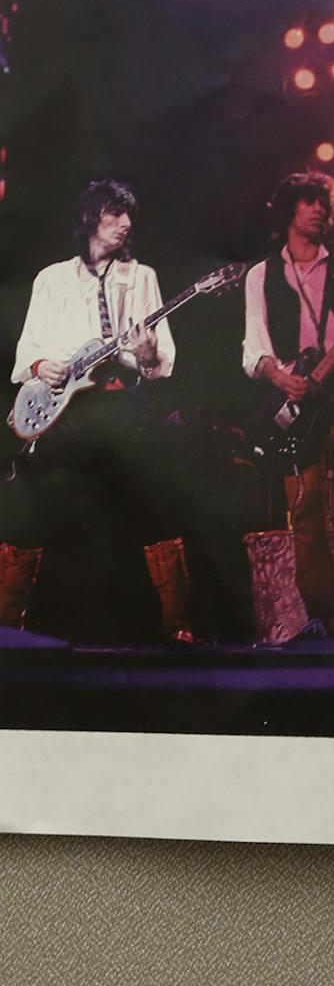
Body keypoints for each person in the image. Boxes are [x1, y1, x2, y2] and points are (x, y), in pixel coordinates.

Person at [9, 179, 174, 644]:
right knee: (67, 515)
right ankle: (59, 628)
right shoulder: (51, 279)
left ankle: (130, 634)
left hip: (119, 407)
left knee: (120, 515)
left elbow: (160, 363)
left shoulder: (140, 277)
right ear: (89, 218)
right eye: (114, 214)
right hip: (65, 414)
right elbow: (26, 356)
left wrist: (144, 354)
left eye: (129, 217)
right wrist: (47, 366)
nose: (125, 224)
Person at [241, 171, 334, 639]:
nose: (319, 210)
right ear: (289, 210)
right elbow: (253, 348)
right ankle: (322, 615)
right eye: (308, 202)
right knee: (303, 502)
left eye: (323, 202)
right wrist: (277, 375)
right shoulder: (261, 274)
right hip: (298, 389)